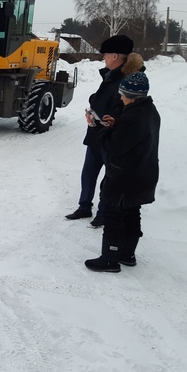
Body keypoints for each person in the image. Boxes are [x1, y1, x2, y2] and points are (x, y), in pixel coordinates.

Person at [85, 71, 160, 272]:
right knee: (131, 212)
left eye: (123, 94)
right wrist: (116, 124)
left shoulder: (132, 117)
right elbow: (132, 137)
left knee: (113, 215)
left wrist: (96, 127)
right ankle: (127, 254)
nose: (120, 97)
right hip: (143, 173)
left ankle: (109, 259)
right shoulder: (149, 111)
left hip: (124, 176)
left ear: (132, 96)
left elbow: (113, 147)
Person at [65, 34, 144, 227]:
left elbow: (130, 111)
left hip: (113, 137)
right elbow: (103, 99)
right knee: (88, 173)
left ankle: (103, 212)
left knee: (110, 177)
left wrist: (110, 121)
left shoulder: (130, 80)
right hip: (97, 132)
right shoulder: (111, 75)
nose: (103, 58)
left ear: (115, 56)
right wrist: (94, 110)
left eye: (106, 54)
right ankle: (84, 206)